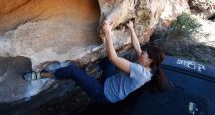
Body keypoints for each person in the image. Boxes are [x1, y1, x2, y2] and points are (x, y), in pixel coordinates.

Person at [22, 20, 169, 103]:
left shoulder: (141, 73)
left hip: (104, 94)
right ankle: (90, 71)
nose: (140, 53)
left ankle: (45, 75)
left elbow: (114, 58)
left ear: (149, 60)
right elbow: (137, 47)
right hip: (110, 81)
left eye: (144, 53)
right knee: (108, 62)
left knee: (73, 71)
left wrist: (108, 33)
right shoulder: (147, 64)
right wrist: (131, 28)